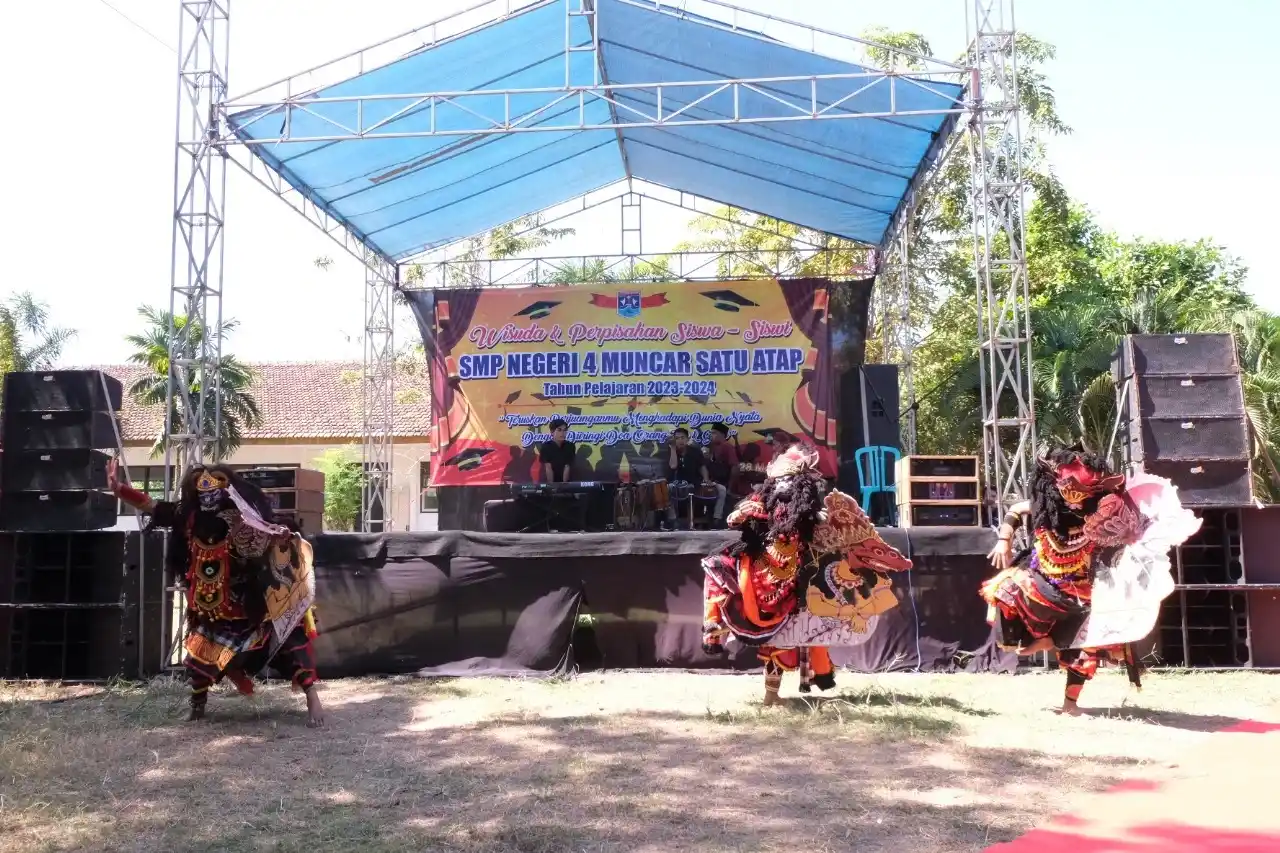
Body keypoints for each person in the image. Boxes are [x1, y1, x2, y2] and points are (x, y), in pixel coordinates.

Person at [108, 460, 325, 726]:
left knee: (288, 644)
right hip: (210, 607)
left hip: (248, 604)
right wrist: (120, 490)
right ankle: (197, 707)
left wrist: (278, 537)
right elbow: (152, 506)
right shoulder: (188, 517)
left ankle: (312, 697)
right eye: (202, 493)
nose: (208, 498)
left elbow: (271, 538)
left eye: (214, 492)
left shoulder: (245, 518)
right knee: (200, 656)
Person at [702, 444, 912, 704]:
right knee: (718, 566)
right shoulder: (762, 502)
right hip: (764, 571)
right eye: (780, 480)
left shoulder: (809, 512)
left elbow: (823, 528)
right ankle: (717, 628)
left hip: (800, 575)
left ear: (800, 482)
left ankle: (779, 690)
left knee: (792, 633)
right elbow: (736, 518)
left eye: (789, 480)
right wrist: (743, 514)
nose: (784, 485)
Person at [981, 446, 1149, 716]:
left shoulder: (1101, 516)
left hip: (1083, 592)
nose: (1073, 499)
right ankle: (1045, 638)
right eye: (1068, 491)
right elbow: (1016, 510)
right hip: (1043, 580)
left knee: (1085, 649)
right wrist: (1004, 539)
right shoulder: (1044, 510)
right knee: (1003, 589)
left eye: (1082, 492)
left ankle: (1070, 704)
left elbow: (1128, 538)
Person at [666, 427, 725, 528]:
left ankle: (717, 518)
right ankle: (673, 519)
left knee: (721, 489)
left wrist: (706, 480)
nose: (680, 440)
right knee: (666, 489)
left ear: (687, 439)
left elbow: (702, 467)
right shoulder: (671, 451)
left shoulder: (695, 451)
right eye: (677, 438)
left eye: (682, 438)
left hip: (696, 484)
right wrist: (673, 449)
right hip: (678, 485)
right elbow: (673, 466)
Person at [539, 419, 575, 483]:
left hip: (566, 482)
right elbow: (548, 468)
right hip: (549, 482)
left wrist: (564, 485)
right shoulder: (546, 447)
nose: (563, 433)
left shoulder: (570, 446)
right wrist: (552, 486)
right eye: (559, 430)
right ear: (552, 432)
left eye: (565, 430)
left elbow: (567, 466)